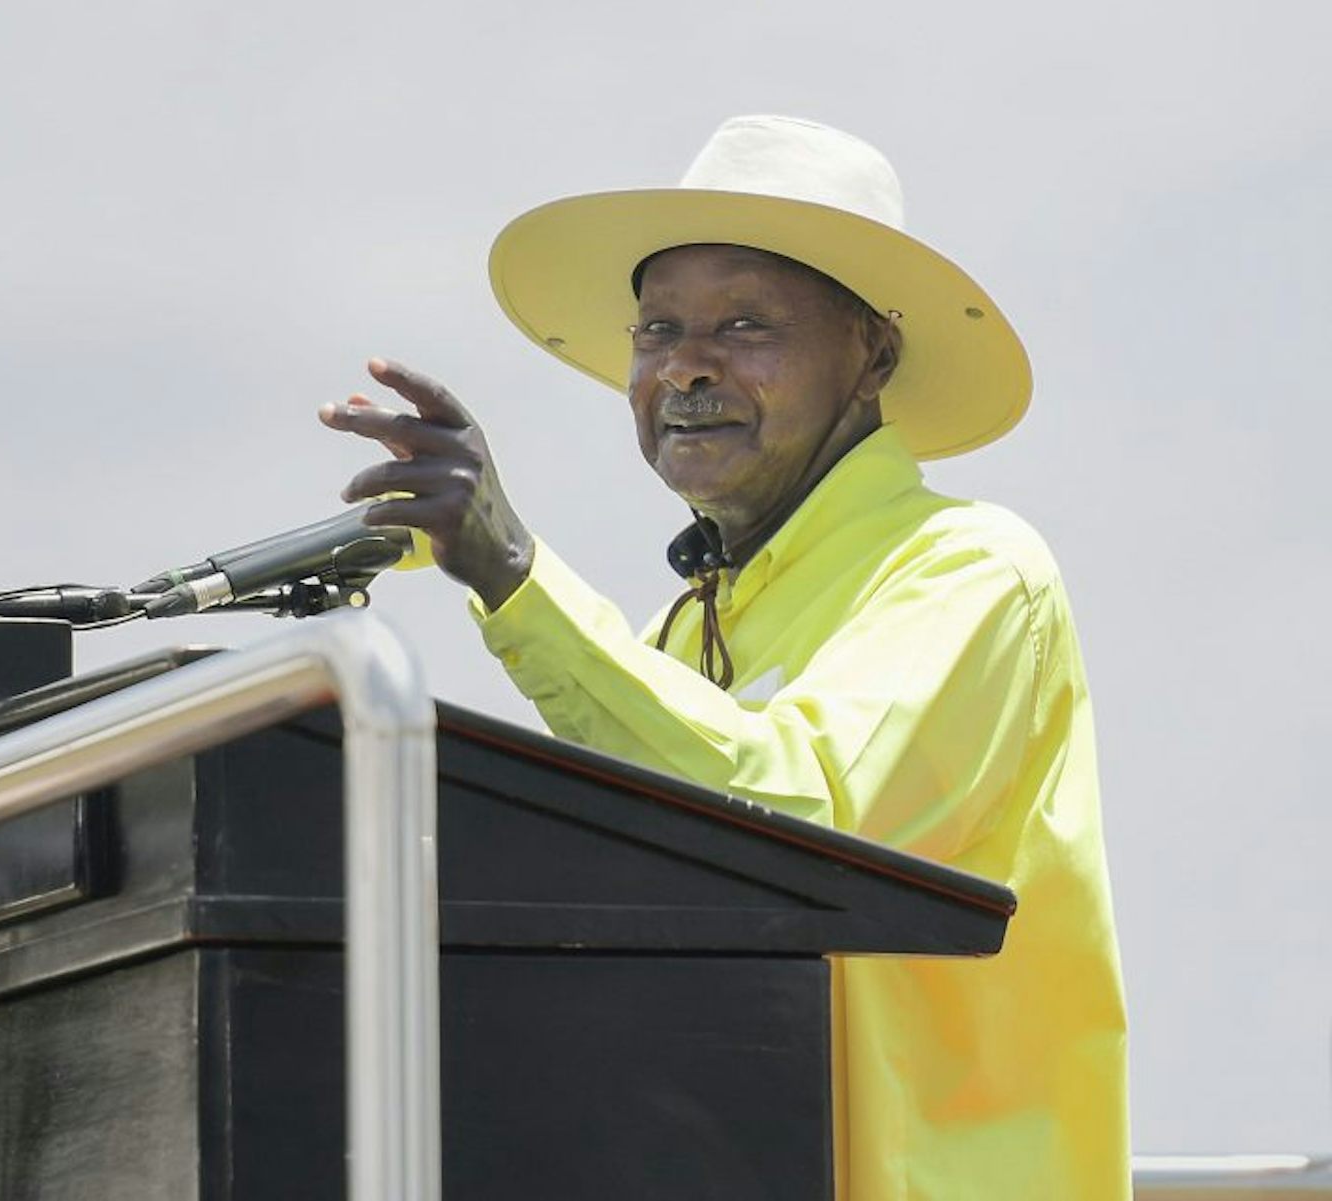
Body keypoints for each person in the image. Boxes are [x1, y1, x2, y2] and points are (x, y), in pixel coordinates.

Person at [320, 115, 1128, 1198]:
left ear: (871, 353)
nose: (686, 367)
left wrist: (513, 569)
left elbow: (801, 830)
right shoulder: (677, 633)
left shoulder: (970, 570)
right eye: (657, 332)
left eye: (745, 324)